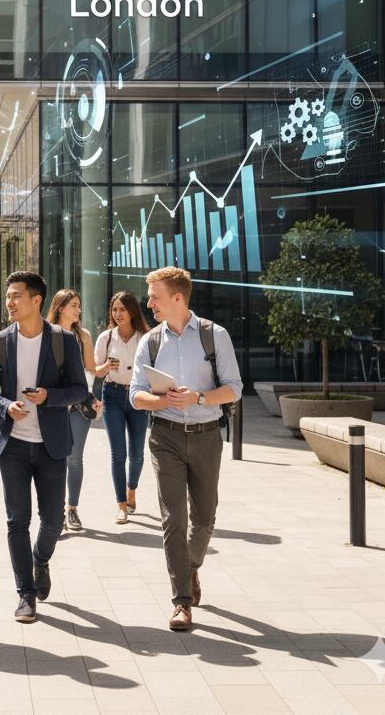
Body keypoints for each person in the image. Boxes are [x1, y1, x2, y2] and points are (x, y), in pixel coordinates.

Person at [130, 266, 242, 632]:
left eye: (155, 297)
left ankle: (190, 567)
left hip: (208, 435)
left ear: (177, 298)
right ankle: (181, 600)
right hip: (166, 437)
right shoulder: (150, 342)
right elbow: (135, 395)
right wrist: (161, 401)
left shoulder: (215, 335)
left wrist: (199, 397)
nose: (149, 304)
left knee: (205, 518)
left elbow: (234, 388)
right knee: (173, 519)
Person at [0, 272, 88, 623]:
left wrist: (48, 397)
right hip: (12, 444)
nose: (9, 302)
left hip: (51, 444)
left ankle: (40, 559)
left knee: (54, 520)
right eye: (7, 296)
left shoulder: (63, 341)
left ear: (36, 301)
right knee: (17, 521)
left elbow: (79, 390)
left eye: (15, 296)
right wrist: (4, 406)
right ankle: (25, 593)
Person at [95, 291, 151, 526]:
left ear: (132, 312)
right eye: (114, 309)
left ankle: (132, 490)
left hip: (138, 398)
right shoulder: (106, 338)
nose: (118, 314)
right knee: (118, 453)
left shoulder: (145, 338)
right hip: (113, 395)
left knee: (137, 454)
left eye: (122, 309)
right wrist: (106, 366)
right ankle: (121, 506)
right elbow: (95, 371)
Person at [48, 290, 100, 533]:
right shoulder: (46, 333)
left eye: (79, 305)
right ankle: (55, 512)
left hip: (79, 405)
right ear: (60, 307)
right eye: (74, 306)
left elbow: (89, 370)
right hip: (54, 405)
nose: (78, 310)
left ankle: (72, 509)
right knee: (54, 459)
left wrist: (89, 396)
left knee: (75, 458)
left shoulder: (83, 336)